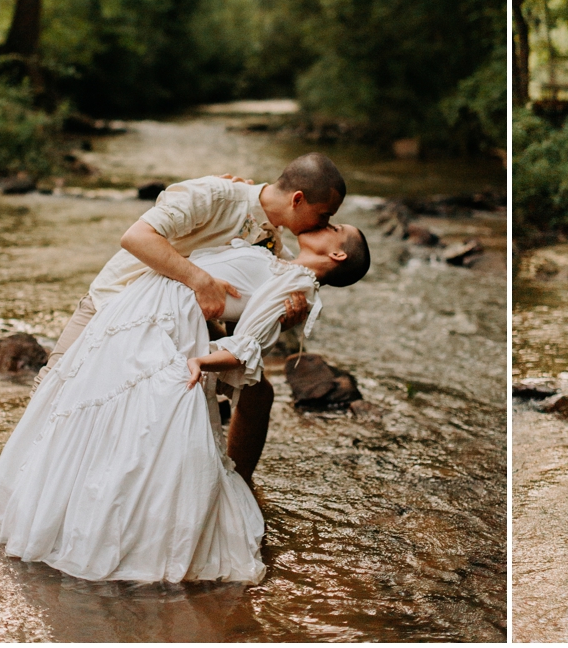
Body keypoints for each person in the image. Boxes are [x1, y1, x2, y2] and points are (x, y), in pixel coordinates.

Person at [0, 222, 371, 584]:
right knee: (102, 418)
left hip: (161, 327)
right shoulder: (282, 260)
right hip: (143, 312)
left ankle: (112, 533)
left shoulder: (295, 287)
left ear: (337, 255)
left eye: (336, 229)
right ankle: (77, 520)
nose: (327, 222)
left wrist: (201, 361)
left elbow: (247, 347)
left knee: (136, 434)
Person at [34, 152, 346, 482]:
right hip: (115, 301)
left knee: (257, 395)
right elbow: (135, 238)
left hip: (183, 324)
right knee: (52, 390)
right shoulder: (214, 194)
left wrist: (284, 318)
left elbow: (246, 319)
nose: (324, 225)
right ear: (298, 199)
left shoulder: (276, 244)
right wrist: (199, 279)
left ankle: (236, 485)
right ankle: (41, 479)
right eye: (324, 215)